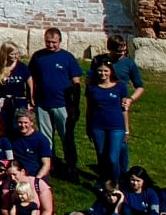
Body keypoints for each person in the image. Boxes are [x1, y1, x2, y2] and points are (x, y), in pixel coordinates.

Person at [30, 28, 83, 179]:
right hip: (43, 104)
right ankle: (49, 165)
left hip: (62, 104)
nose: (51, 45)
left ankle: (71, 166)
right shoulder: (38, 57)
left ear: (60, 41)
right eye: (48, 42)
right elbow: (31, 78)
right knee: (46, 139)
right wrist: (32, 97)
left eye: (54, 42)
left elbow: (76, 82)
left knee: (66, 137)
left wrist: (74, 105)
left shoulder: (67, 58)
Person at [84, 57, 134, 185]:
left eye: (106, 71)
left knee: (112, 158)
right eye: (100, 71)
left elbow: (124, 110)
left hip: (116, 126)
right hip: (97, 126)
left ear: (111, 71)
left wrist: (126, 130)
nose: (103, 74)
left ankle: (116, 182)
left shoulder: (120, 86)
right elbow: (89, 108)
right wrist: (88, 126)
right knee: (101, 155)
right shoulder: (92, 87)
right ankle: (104, 180)